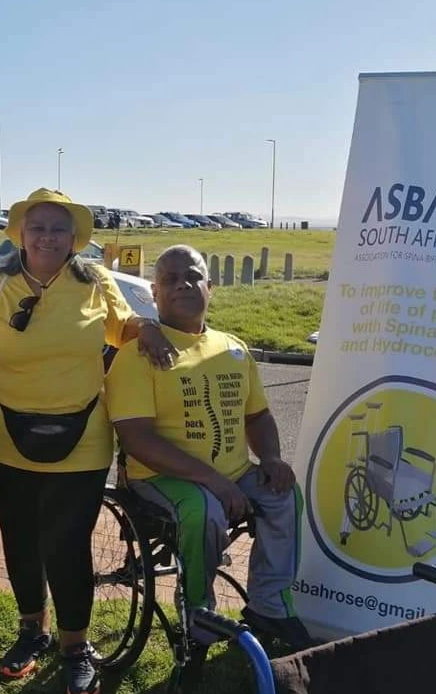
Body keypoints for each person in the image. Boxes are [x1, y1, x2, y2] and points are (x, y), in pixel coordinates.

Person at [0, 188, 174, 694]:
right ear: (21, 235)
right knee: (20, 537)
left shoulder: (96, 282)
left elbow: (122, 327)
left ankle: (74, 645)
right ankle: (31, 630)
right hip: (3, 434)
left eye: (59, 228)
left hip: (82, 437)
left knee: (67, 543)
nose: (48, 236)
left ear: (74, 238)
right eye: (38, 227)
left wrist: (146, 329)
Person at [104, 245, 314, 671]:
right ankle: (199, 616)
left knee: (285, 497)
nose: (183, 284)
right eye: (170, 278)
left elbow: (257, 416)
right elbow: (138, 440)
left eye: (193, 276)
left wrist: (271, 457)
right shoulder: (136, 356)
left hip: (233, 473)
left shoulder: (233, 348)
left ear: (210, 287)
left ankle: (270, 607)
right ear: (154, 291)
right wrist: (213, 481)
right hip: (159, 478)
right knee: (204, 511)